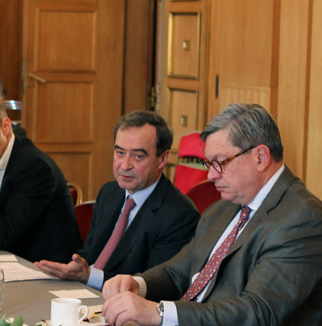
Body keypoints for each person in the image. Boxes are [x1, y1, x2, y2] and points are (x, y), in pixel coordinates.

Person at [102, 103, 322, 326]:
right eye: (208, 164)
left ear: (261, 156)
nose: (211, 175)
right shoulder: (223, 209)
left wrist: (159, 313)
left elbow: (257, 314)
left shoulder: (302, 219)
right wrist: (137, 284)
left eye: (220, 163)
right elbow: (180, 272)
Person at [34, 111, 200, 289]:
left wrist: (89, 276)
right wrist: (71, 270)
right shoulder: (110, 192)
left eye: (137, 156)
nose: (125, 165)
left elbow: (154, 285)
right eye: (120, 153)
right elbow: (89, 255)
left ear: (163, 159)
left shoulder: (179, 215)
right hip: (82, 295)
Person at [0, 91, 81, 263]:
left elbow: (5, 238)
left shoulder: (33, 166)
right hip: (13, 264)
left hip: (49, 273)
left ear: (6, 127)